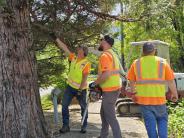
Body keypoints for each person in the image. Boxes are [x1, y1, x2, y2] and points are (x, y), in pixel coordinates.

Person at [127, 42, 178, 138]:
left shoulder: (136, 63)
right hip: (159, 101)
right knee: (162, 120)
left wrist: (134, 94)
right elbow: (171, 82)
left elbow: (132, 81)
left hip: (144, 102)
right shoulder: (163, 62)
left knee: (150, 126)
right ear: (154, 51)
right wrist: (175, 95)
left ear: (143, 51)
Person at [50, 33, 91, 134]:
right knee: (64, 105)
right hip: (70, 87)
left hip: (81, 89)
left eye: (79, 49)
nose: (77, 49)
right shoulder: (73, 58)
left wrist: (80, 90)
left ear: (83, 51)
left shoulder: (86, 63)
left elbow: (84, 78)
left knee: (83, 107)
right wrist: (56, 39)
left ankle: (84, 126)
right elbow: (65, 48)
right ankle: (65, 125)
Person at [89, 35, 122, 138]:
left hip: (110, 90)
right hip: (113, 88)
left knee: (110, 117)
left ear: (105, 42)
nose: (100, 42)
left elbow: (106, 74)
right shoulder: (112, 54)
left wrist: (95, 83)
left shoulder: (105, 56)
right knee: (104, 114)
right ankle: (103, 135)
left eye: (101, 41)